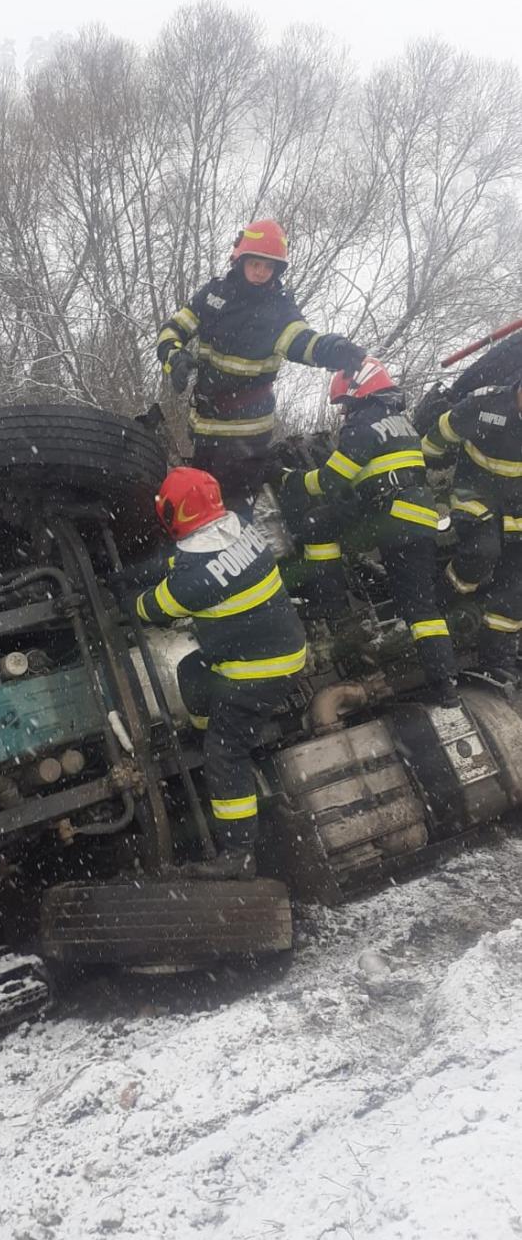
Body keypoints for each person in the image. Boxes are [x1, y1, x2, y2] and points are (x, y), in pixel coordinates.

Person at [129, 466, 307, 878]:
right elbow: (189, 557)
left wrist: (125, 592)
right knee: (194, 674)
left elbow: (150, 610)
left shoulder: (192, 581)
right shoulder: (240, 527)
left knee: (224, 754)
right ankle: (224, 730)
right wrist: (150, 569)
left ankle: (239, 855)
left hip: (254, 672)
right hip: (282, 649)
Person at [283, 358, 459, 704]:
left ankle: (335, 612)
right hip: (419, 519)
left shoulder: (363, 425)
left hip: (390, 518)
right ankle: (446, 684)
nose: (344, 413)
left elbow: (332, 478)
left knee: (317, 525)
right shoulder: (401, 424)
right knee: (423, 610)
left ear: (359, 394)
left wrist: (293, 480)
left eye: (345, 405)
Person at [156, 219, 367, 505]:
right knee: (204, 508)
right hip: (205, 430)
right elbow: (172, 329)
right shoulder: (214, 295)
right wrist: (174, 357)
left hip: (248, 438)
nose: (260, 272)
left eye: (268, 267)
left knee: (234, 515)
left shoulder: (279, 309)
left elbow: (303, 341)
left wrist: (334, 348)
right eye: (255, 263)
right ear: (241, 260)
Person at [421, 381, 522, 684]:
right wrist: (421, 478)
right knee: (482, 551)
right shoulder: (487, 406)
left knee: (516, 585)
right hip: (474, 495)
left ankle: (497, 658)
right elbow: (437, 438)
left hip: (517, 510)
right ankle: (437, 605)